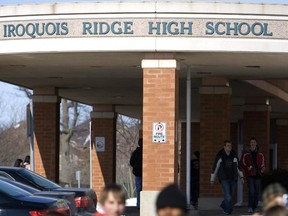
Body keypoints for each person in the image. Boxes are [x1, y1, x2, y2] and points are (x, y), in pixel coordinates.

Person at [211, 140, 244, 215]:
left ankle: (223, 205)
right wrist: (212, 178)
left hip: (233, 178)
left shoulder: (234, 155)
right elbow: (215, 167)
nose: (230, 147)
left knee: (230, 195)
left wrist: (241, 177)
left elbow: (238, 167)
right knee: (228, 195)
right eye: (228, 145)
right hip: (224, 178)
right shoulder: (220, 155)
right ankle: (228, 210)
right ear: (224, 147)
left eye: (230, 146)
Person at [240, 137, 265, 214]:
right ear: (249, 144)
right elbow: (241, 163)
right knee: (252, 191)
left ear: (256, 143)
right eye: (251, 142)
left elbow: (263, 163)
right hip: (250, 174)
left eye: (254, 142)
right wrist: (247, 167)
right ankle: (250, 207)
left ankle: (255, 207)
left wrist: (263, 168)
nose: (253, 143)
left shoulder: (260, 153)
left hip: (258, 174)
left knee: (257, 191)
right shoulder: (246, 153)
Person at [129, 138, 143, 209]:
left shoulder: (135, 152)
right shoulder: (146, 152)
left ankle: (139, 205)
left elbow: (131, 162)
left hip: (138, 173)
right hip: (145, 174)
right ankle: (143, 204)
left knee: (139, 189)